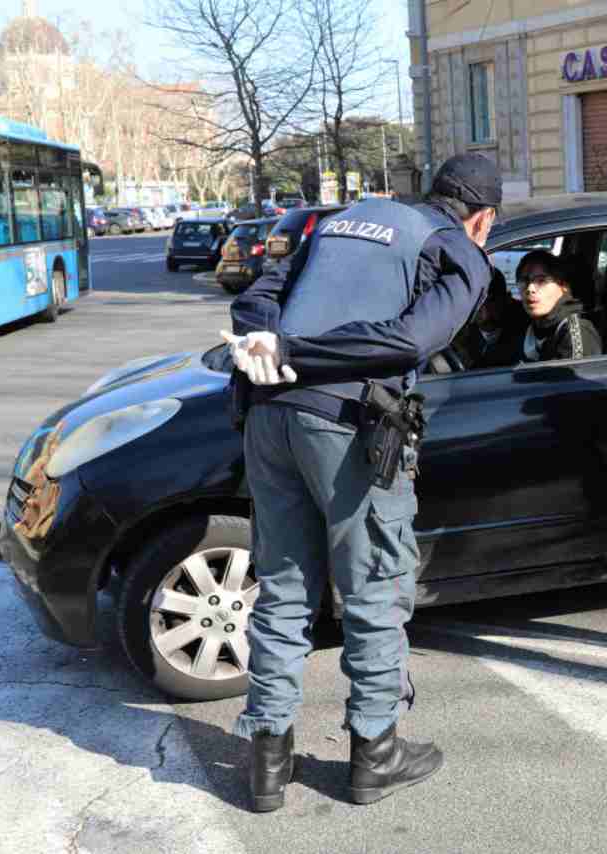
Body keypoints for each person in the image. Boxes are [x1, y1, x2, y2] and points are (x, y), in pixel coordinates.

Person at [222, 153, 502, 811]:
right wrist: (305, 357)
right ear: (483, 219)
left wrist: (273, 350)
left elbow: (259, 295)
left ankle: (267, 763)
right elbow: (409, 342)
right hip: (348, 426)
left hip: (269, 416)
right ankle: (375, 756)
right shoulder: (456, 247)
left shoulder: (346, 220)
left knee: (285, 589)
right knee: (375, 590)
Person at [515, 250, 602, 362]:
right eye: (524, 280)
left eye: (541, 281)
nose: (530, 289)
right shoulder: (524, 327)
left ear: (563, 286)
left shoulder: (577, 332)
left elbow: (577, 377)